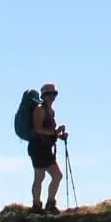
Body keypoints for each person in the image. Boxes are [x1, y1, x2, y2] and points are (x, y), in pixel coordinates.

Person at [28, 82, 67, 214]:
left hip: (45, 148)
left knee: (56, 175)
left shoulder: (50, 111)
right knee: (40, 176)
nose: (52, 96)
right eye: (49, 94)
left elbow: (48, 131)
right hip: (37, 147)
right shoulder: (39, 109)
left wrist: (59, 135)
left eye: (54, 94)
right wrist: (56, 132)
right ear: (43, 95)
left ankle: (48, 204)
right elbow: (38, 129)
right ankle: (37, 205)